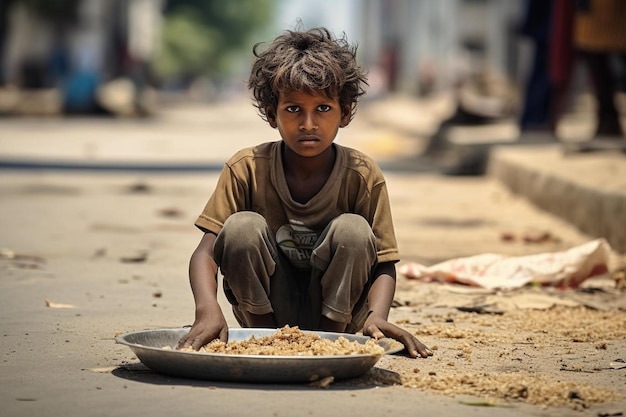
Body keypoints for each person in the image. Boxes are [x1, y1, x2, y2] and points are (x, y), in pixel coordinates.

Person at [177, 27, 432, 358]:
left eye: (323, 109)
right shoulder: (246, 168)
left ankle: (326, 342)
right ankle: (266, 341)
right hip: (263, 313)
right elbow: (205, 254)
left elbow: (384, 263)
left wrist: (377, 316)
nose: (308, 123)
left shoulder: (362, 175)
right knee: (241, 227)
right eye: (293, 109)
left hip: (338, 321)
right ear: (272, 114)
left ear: (346, 112)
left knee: (354, 230)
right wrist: (207, 309)